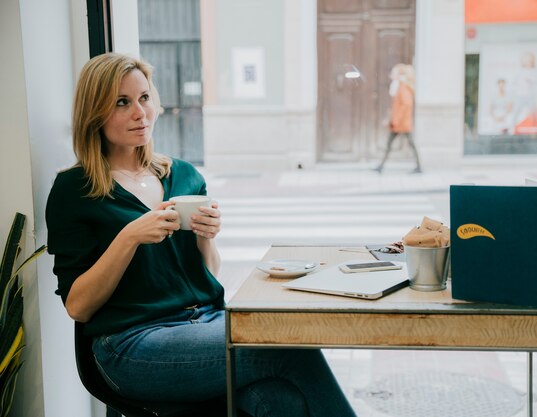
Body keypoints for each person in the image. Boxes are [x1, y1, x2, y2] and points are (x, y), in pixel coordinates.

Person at [45, 52, 357, 417]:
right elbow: (78, 306)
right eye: (121, 103)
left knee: (280, 401)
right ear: (95, 112)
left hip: (205, 322)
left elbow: (207, 273)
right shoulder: (75, 190)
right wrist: (129, 237)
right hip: (133, 343)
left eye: (144, 98)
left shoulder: (183, 175)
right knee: (285, 346)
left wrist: (206, 237)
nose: (140, 113)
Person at [374, 63, 421, 173]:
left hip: (401, 123)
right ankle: (381, 166)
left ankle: (419, 166)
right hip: (399, 122)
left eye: (393, 73)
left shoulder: (403, 88)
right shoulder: (399, 87)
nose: (391, 75)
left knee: (408, 144)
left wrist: (396, 120)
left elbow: (406, 105)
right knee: (394, 144)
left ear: (399, 75)